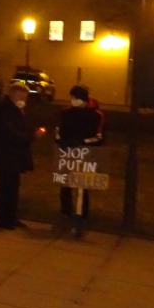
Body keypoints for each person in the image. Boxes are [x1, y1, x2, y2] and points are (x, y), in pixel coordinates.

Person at [0, 83, 43, 230]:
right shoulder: (7, 110)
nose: (23, 100)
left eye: (25, 97)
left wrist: (32, 132)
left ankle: (11, 218)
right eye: (20, 96)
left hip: (13, 156)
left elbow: (19, 129)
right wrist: (32, 135)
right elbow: (11, 133)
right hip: (6, 155)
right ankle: (3, 219)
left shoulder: (16, 110)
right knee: (6, 188)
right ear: (12, 95)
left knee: (12, 187)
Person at [55, 85, 105, 237]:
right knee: (65, 185)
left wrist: (81, 142)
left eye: (75, 98)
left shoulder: (96, 115)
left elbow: (99, 137)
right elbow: (58, 130)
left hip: (85, 155)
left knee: (82, 187)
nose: (72, 101)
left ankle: (81, 218)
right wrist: (61, 141)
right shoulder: (66, 112)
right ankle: (66, 214)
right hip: (67, 154)